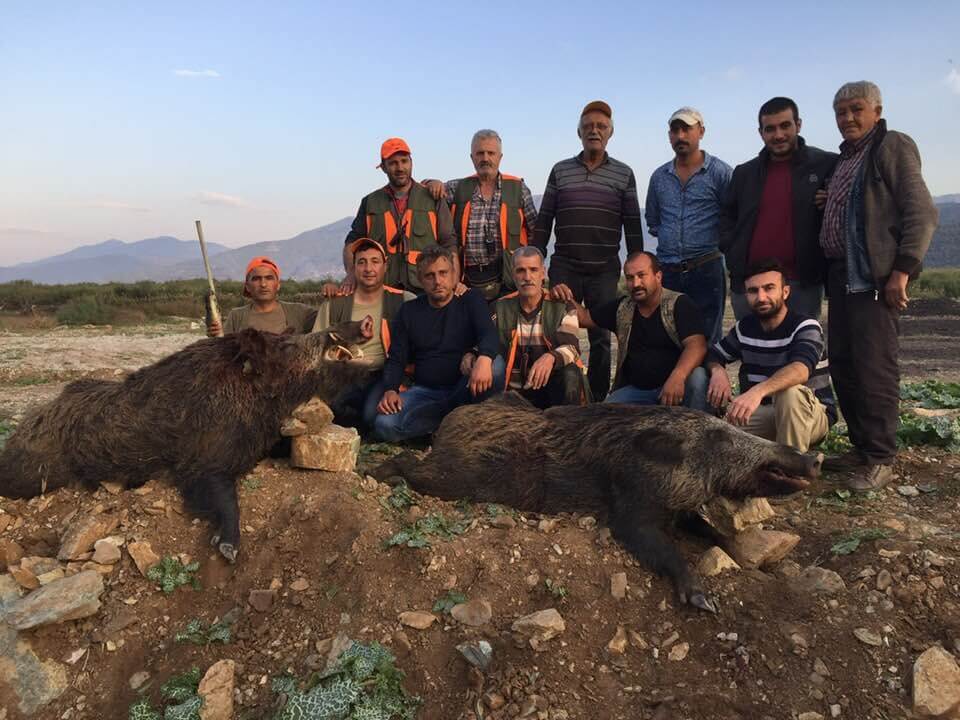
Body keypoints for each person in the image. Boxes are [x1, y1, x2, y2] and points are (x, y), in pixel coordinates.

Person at [817, 81, 938, 491]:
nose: (848, 118)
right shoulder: (846, 159)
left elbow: (921, 212)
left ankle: (881, 456)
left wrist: (902, 270)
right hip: (841, 277)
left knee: (874, 367)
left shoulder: (891, 147)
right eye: (841, 112)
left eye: (856, 110)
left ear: (877, 110)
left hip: (873, 278)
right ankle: (861, 447)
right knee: (844, 365)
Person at [533, 100, 644, 401]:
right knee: (558, 330)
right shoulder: (561, 171)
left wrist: (638, 267)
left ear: (611, 133)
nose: (594, 131)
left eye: (601, 127)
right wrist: (536, 258)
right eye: (588, 127)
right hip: (564, 266)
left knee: (601, 339)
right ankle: (557, 396)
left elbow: (633, 224)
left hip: (605, 269)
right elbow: (545, 219)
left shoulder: (624, 174)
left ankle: (597, 401)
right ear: (579, 132)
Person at [720, 97, 838, 321]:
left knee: (801, 350)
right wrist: (731, 248)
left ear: (798, 125)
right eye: (770, 129)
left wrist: (830, 200)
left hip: (801, 283)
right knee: (753, 351)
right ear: (761, 132)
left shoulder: (825, 164)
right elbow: (727, 216)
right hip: (751, 283)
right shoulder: (744, 173)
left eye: (785, 126)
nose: (778, 135)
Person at [373, 244, 501, 442]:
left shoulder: (471, 299)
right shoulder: (410, 311)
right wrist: (390, 389)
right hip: (425, 392)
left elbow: (489, 334)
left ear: (453, 275)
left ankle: (450, 424)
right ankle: (449, 426)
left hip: (463, 387)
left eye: (443, 273)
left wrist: (481, 357)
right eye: (430, 276)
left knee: (495, 364)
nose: (438, 281)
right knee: (384, 424)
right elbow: (397, 357)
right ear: (420, 280)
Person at [706, 259, 837, 452]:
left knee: (789, 393)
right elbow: (713, 353)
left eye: (769, 288)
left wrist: (757, 392)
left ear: (785, 292)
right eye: (753, 291)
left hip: (810, 414)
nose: (761, 297)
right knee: (715, 438)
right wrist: (718, 372)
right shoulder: (745, 328)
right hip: (764, 413)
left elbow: (800, 370)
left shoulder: (805, 326)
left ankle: (791, 472)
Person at [553, 251, 708, 409]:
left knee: (698, 379)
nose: (636, 283)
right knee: (605, 413)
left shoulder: (679, 304)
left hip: (675, 387)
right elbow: (585, 317)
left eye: (642, 275)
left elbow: (697, 345)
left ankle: (704, 430)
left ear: (658, 276)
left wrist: (678, 376)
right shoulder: (622, 307)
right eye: (629, 277)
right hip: (638, 391)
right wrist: (564, 297)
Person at [646, 107, 732, 344]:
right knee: (668, 338)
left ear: (701, 131)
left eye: (687, 129)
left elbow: (733, 216)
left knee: (708, 341)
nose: (680, 136)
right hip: (669, 271)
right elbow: (653, 221)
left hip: (706, 269)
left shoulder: (720, 173)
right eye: (675, 130)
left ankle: (705, 382)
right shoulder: (659, 177)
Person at [424, 130, 539, 302]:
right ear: (472, 158)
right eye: (480, 153)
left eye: (491, 153)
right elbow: (424, 193)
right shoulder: (457, 188)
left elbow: (535, 234)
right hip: (467, 282)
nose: (485, 158)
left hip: (508, 281)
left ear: (500, 156)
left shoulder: (518, 189)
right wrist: (430, 182)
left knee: (504, 327)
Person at [312, 238, 415, 430]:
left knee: (370, 415)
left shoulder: (404, 300)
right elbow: (316, 346)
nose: (368, 268)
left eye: (375, 262)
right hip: (344, 374)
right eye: (362, 262)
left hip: (383, 375)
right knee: (334, 407)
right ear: (353, 268)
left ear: (385, 266)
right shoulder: (334, 304)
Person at [341, 138, 456, 294]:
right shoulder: (370, 202)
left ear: (411, 162)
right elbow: (352, 242)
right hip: (384, 288)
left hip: (425, 288)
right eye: (393, 163)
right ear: (383, 167)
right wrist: (351, 274)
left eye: (404, 161)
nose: (400, 167)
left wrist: (453, 282)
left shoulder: (433, 197)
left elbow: (449, 242)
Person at [490, 247, 587, 409]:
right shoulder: (499, 308)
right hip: (513, 394)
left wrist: (550, 357)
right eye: (521, 271)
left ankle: (568, 425)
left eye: (533, 270)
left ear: (543, 273)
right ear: (513, 275)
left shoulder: (562, 305)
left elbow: (572, 347)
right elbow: (485, 342)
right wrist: (472, 354)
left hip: (552, 391)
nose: (527, 277)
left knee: (570, 372)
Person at [207, 256, 316, 336]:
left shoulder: (299, 312)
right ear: (247, 286)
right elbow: (224, 350)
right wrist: (216, 334)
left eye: (269, 278)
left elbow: (329, 320)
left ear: (278, 285)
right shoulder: (236, 316)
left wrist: (332, 296)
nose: (263, 284)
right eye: (256, 279)